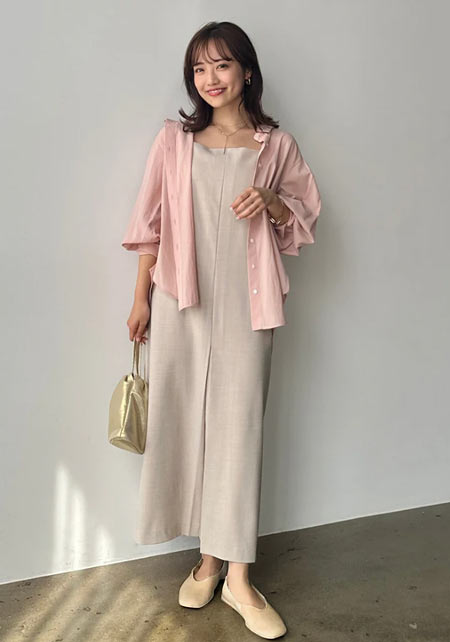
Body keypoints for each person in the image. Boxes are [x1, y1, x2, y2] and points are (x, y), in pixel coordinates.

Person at [121, 20, 321, 640]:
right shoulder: (173, 141)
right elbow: (150, 225)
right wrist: (140, 300)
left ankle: (238, 577)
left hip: (248, 305)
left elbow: (305, 218)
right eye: (199, 68)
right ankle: (206, 561)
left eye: (222, 65)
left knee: (239, 431)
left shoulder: (275, 145)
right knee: (184, 424)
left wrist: (272, 200)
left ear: (247, 71)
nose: (210, 78)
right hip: (181, 302)